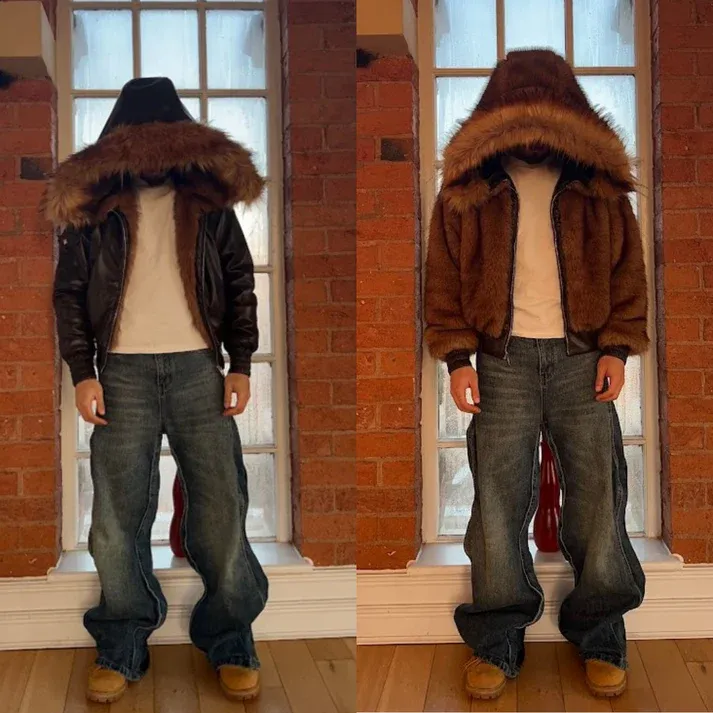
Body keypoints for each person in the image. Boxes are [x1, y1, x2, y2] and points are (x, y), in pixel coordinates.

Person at [424, 50, 648, 699]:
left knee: (598, 498)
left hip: (583, 358)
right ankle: (496, 639)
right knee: (496, 504)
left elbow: (627, 273)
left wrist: (616, 349)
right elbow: (443, 278)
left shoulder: (598, 187)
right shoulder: (467, 188)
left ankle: (600, 633)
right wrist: (458, 358)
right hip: (501, 362)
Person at [47, 78, 269, 703]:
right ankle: (121, 642)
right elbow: (69, 294)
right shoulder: (93, 211)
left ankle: (231, 639)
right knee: (115, 519)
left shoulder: (208, 204)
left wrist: (241, 363)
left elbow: (239, 281)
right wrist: (83, 371)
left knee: (222, 508)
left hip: (200, 369)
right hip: (120, 374)